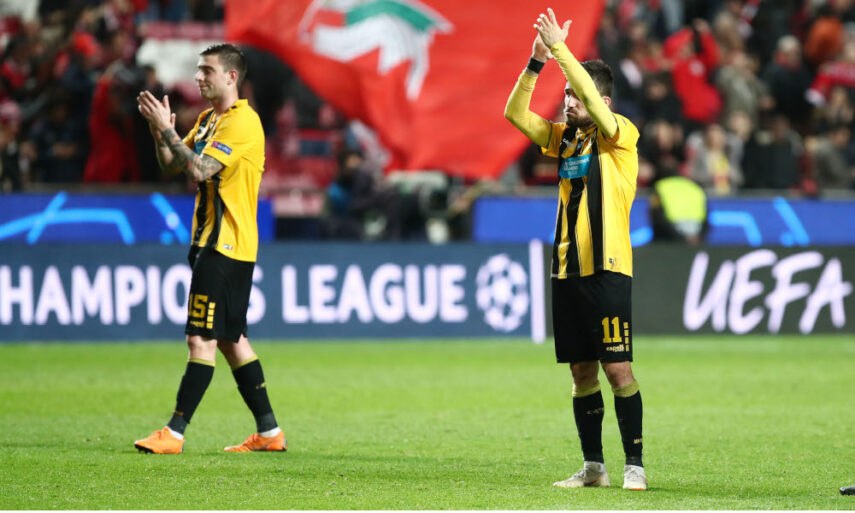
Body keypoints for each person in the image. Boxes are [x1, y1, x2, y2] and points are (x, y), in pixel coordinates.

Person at [504, 8, 647, 491]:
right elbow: (515, 115)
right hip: (567, 269)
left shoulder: (620, 134)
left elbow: (590, 96)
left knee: (617, 368)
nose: (567, 100)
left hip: (608, 267)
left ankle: (635, 465)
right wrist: (536, 63)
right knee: (581, 371)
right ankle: (594, 468)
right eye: (565, 94)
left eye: (574, 94)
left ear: (600, 100)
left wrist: (561, 51)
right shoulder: (564, 139)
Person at [134, 43, 286, 454]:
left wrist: (167, 132)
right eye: (198, 70)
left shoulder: (243, 122)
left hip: (224, 244)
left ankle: (174, 433)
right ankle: (270, 432)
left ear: (231, 77)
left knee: (200, 340)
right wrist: (159, 132)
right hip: (214, 243)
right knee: (232, 340)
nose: (198, 77)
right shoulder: (206, 121)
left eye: (207, 70)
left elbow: (200, 169)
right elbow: (172, 164)